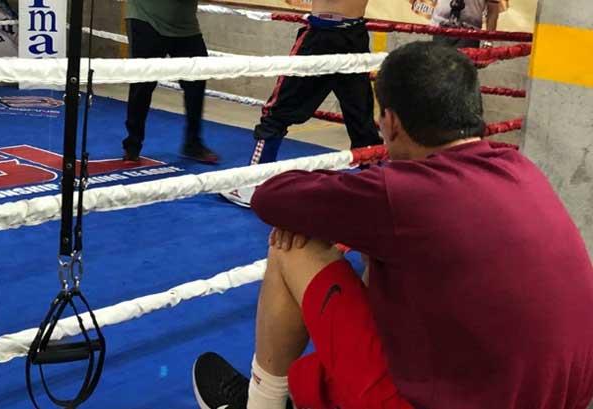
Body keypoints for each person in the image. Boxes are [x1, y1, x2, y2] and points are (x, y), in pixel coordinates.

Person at [193, 42, 593, 409]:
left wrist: (369, 192)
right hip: (565, 396)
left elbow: (271, 198)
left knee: (293, 246)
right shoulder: (520, 168)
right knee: (385, 260)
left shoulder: (404, 193)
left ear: (392, 123)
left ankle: (260, 403)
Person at [221, 0, 381, 207]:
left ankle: (254, 185)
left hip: (323, 36)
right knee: (361, 117)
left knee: (277, 113)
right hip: (353, 35)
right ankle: (378, 186)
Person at [122, 0, 219, 164]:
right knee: (142, 84)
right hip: (146, 19)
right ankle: (132, 146)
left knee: (196, 81)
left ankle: (193, 144)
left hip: (185, 27)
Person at [431, 0, 502, 48]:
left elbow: (493, 9)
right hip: (440, 29)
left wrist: (488, 41)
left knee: (463, 69)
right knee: (438, 67)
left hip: (470, 33)